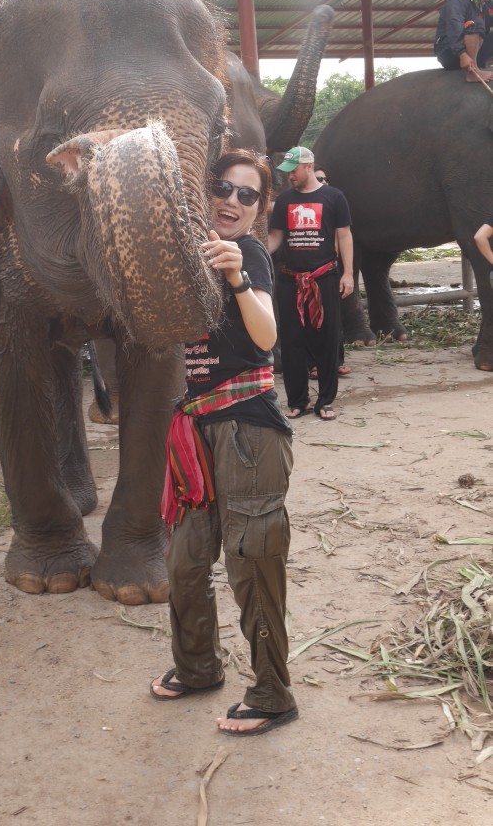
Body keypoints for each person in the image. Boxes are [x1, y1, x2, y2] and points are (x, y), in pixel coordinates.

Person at [150, 149, 298, 738]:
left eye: (246, 195)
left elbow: (265, 336)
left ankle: (271, 693)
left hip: (248, 435)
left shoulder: (252, 254)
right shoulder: (186, 257)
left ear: (260, 209)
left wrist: (237, 276)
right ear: (204, 192)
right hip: (197, 431)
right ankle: (197, 667)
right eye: (222, 188)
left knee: (250, 562)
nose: (231, 201)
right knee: (184, 557)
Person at [267, 146, 353, 421]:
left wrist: (348, 273)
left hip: (323, 278)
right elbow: (276, 237)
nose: (290, 175)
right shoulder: (284, 201)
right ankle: (298, 401)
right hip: (290, 279)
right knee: (292, 342)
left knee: (327, 339)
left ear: (308, 166)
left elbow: (344, 236)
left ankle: (325, 401)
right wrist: (253, 252)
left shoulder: (334, 197)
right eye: (287, 171)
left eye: (293, 170)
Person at [309, 166, 350, 379]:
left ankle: (336, 361)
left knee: (334, 319)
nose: (322, 182)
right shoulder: (303, 205)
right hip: (308, 272)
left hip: (332, 268)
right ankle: (314, 364)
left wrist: (348, 272)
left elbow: (344, 235)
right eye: (318, 179)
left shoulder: (334, 203)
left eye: (324, 179)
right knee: (312, 320)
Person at [434, 0, 493, 77]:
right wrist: (462, 54)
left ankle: (478, 64)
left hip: (474, 52)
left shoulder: (482, 3)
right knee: (475, 23)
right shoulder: (457, 3)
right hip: (452, 53)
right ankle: (473, 73)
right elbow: (454, 29)